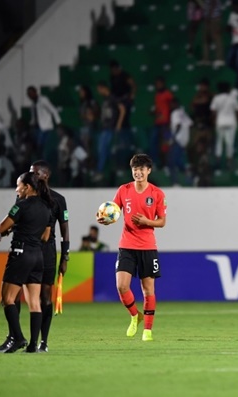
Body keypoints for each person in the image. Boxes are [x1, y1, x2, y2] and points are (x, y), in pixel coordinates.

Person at [97, 154, 167, 342]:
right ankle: (135, 315)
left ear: (149, 171)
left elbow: (162, 222)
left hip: (147, 246)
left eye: (142, 169)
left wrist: (147, 221)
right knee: (121, 285)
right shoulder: (123, 190)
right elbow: (114, 212)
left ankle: (148, 330)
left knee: (148, 289)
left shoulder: (157, 194)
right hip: (127, 245)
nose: (138, 172)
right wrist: (105, 219)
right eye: (135, 169)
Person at [0, 171, 53, 353]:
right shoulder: (46, 207)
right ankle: (34, 344)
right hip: (37, 256)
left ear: (27, 187)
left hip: (20, 254)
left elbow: (0, 228)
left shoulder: (21, 206)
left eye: (18, 185)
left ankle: (18, 337)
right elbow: (45, 236)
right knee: (34, 302)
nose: (16, 189)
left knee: (7, 298)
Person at [28, 160, 70, 352]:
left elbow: (65, 230)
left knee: (45, 298)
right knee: (22, 295)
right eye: (31, 173)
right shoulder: (25, 196)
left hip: (47, 252)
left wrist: (65, 257)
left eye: (35, 173)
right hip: (27, 250)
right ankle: (21, 338)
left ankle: (43, 341)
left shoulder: (58, 200)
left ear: (45, 176)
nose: (32, 176)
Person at [95, 81, 126, 181]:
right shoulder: (105, 100)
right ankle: (111, 172)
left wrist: (119, 124)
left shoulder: (113, 98)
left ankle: (101, 171)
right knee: (105, 151)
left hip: (110, 128)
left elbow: (122, 109)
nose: (99, 92)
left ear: (103, 88)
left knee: (104, 150)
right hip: (104, 128)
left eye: (99, 89)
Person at [210, 81, 238, 170]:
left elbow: (213, 112)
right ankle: (229, 162)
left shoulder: (216, 98)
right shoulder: (233, 98)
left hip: (220, 122)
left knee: (219, 142)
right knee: (230, 143)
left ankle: (218, 160)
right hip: (231, 122)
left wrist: (213, 122)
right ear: (228, 89)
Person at [27, 86, 61, 163]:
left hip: (45, 127)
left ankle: (43, 163)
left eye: (31, 93)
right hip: (37, 128)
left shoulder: (43, 100)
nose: (30, 95)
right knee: (36, 147)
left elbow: (53, 110)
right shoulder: (32, 105)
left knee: (41, 147)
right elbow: (34, 118)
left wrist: (58, 122)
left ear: (35, 92)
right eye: (29, 94)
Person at [151, 76, 174, 169]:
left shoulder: (168, 94)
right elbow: (158, 108)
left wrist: (170, 121)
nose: (158, 86)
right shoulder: (157, 95)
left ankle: (168, 164)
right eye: (157, 84)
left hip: (166, 123)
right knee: (154, 142)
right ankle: (156, 163)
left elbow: (172, 106)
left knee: (166, 144)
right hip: (157, 122)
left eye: (159, 84)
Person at [200, 0, 224, 68]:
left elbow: (214, 2)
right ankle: (205, 59)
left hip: (213, 18)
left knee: (216, 39)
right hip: (208, 18)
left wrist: (209, 16)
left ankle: (220, 59)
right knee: (206, 39)